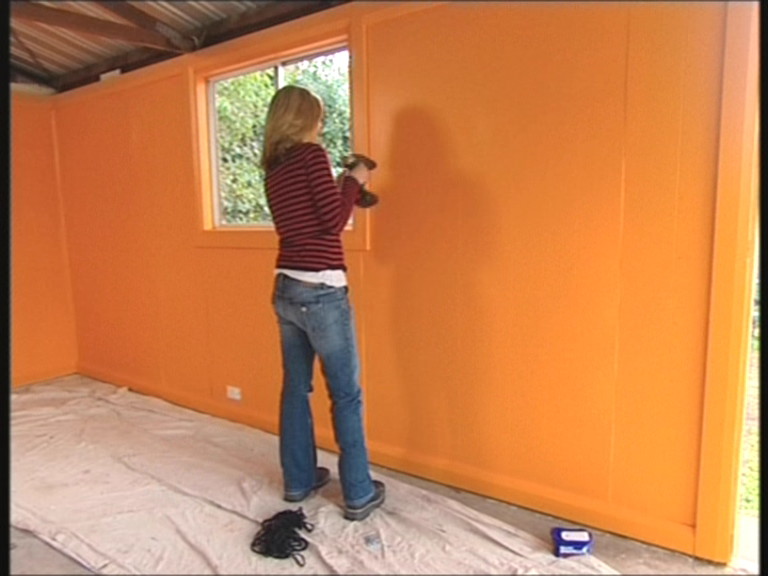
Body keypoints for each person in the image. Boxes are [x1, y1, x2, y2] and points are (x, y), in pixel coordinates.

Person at [261, 85, 385, 521]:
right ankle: (358, 492)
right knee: (346, 394)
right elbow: (332, 223)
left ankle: (298, 480)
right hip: (322, 290)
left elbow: (309, 219)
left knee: (296, 388)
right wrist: (354, 180)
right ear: (305, 119)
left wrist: (342, 187)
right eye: (318, 117)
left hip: (287, 287)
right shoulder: (311, 156)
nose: (321, 124)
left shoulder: (275, 168)